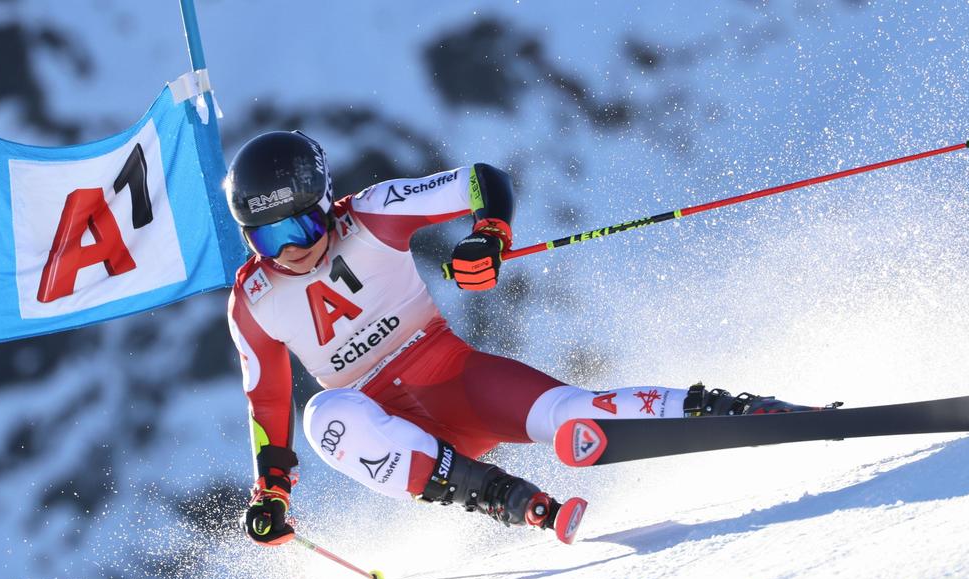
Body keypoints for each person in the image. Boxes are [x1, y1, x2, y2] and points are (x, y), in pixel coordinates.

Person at [225, 131, 822, 547]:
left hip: (453, 379)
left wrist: (490, 234)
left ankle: (725, 410)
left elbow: (481, 180)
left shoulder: (374, 213)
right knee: (323, 413)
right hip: (389, 431)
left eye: (300, 225)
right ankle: (501, 496)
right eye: (268, 239)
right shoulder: (253, 303)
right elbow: (268, 401)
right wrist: (271, 492)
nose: (293, 250)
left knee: (571, 416)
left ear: (326, 204)